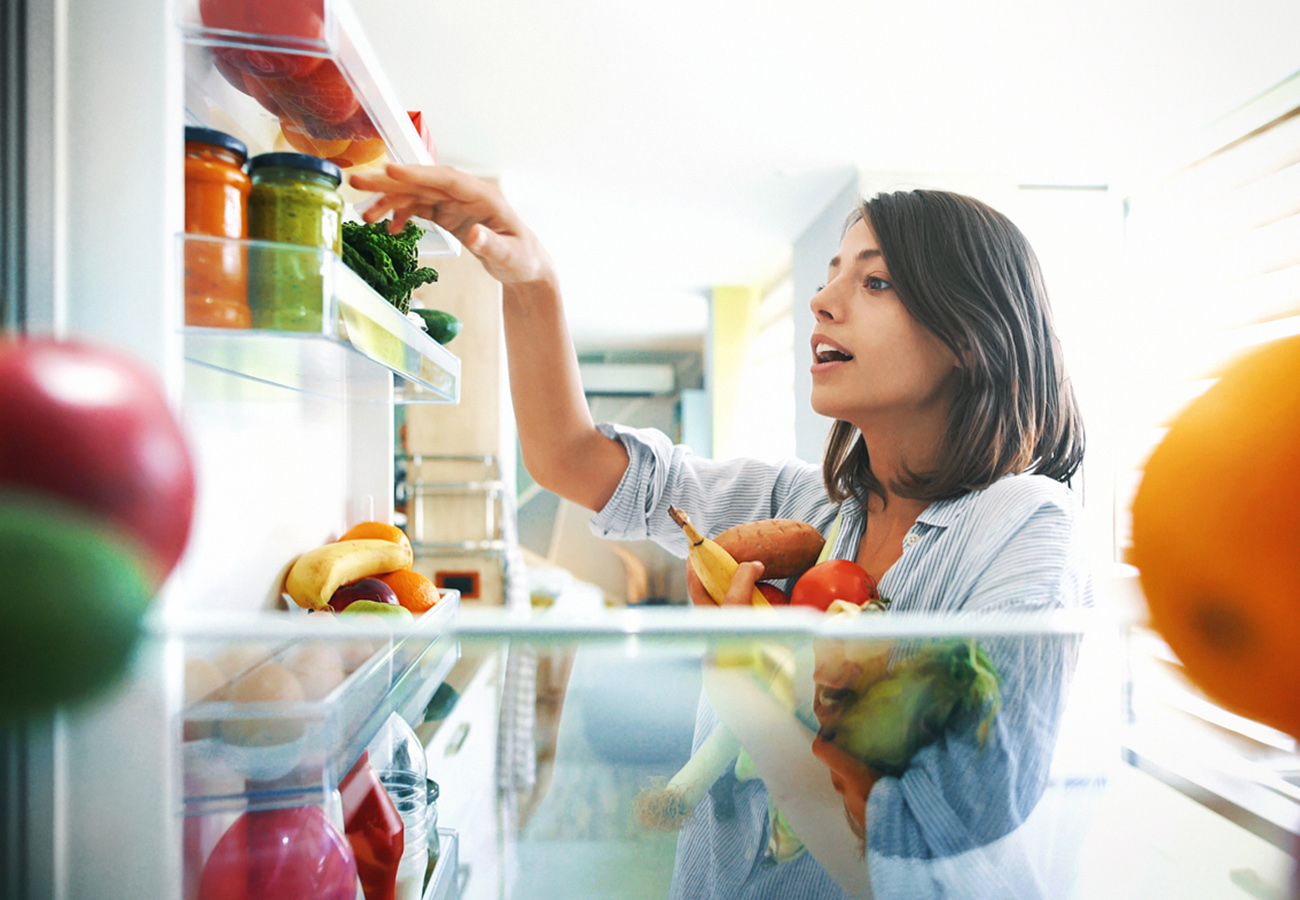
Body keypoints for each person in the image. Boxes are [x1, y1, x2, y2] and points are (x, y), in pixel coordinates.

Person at [352, 165, 1093, 899]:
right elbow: (569, 457)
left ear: (969, 333)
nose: (822, 299)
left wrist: (742, 682)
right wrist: (531, 277)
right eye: (832, 273)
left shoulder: (1026, 528)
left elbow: (924, 849)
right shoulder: (807, 505)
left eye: (875, 282)